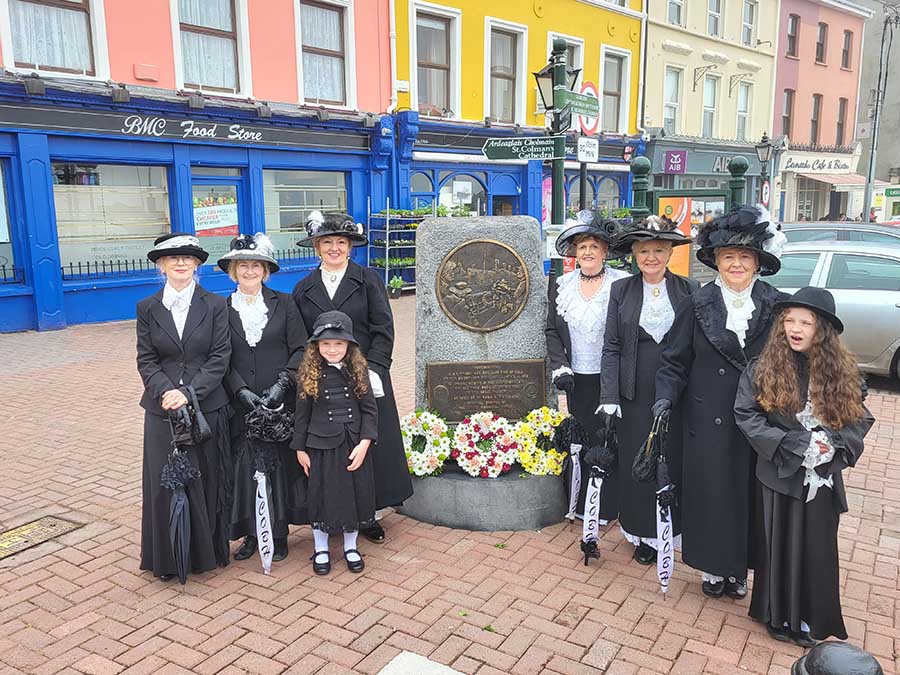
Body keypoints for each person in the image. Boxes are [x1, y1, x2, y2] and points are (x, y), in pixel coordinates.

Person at [653, 205, 788, 600]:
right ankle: (713, 568)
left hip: (757, 421)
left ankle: (740, 569)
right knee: (712, 496)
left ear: (758, 262)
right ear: (716, 261)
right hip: (706, 417)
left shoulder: (777, 305)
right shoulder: (697, 304)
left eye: (745, 256)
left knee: (749, 497)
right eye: (728, 256)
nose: (736, 264)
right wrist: (664, 398)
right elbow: (673, 361)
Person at [735, 287, 873, 647]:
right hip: (780, 471)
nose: (795, 329)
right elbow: (746, 415)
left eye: (806, 323)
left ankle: (812, 616)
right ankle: (777, 615)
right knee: (778, 543)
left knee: (818, 545)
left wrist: (833, 444)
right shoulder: (762, 368)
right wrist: (794, 444)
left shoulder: (842, 372)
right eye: (789, 321)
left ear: (821, 329)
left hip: (822, 475)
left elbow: (859, 418)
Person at [292, 211, 412, 543]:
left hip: (364, 375)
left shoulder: (368, 279)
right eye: (327, 242)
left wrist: (374, 370)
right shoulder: (303, 288)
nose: (334, 248)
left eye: (341, 242)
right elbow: (300, 337)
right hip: (323, 380)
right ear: (317, 247)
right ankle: (331, 511)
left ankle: (369, 512)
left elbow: (383, 328)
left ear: (350, 246)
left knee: (369, 442)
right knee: (329, 448)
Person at [598, 216, 698, 564]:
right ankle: (642, 533)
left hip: (676, 387)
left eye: (658, 250)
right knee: (637, 459)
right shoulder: (621, 290)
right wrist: (609, 396)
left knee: (673, 456)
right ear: (634, 255)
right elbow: (611, 346)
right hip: (634, 390)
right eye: (644, 251)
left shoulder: (689, 290)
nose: (651, 257)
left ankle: (672, 528)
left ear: (669, 253)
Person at [136, 233, 232, 580]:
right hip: (162, 409)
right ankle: (167, 559)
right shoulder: (147, 308)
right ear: (161, 265)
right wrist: (168, 392)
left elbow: (220, 357)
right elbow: (146, 359)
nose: (180, 263)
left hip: (206, 406)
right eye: (173, 258)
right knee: (165, 484)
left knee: (205, 478)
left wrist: (189, 393)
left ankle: (205, 555)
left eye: (188, 258)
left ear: (196, 265)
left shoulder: (216, 305)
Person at [218, 233, 307, 564]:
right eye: (242, 265)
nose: (249, 271)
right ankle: (251, 533)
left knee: (277, 468)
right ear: (233, 271)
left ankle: (278, 533)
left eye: (255, 265)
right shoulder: (221, 308)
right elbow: (219, 356)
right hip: (240, 403)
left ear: (265, 270)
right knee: (245, 470)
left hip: (278, 402)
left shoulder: (285, 303)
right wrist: (239, 389)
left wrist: (283, 384)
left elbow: (300, 348)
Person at [546, 210, 629, 523]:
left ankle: (609, 506)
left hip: (612, 378)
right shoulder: (562, 284)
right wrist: (560, 366)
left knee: (610, 437)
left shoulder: (621, 284)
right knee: (581, 440)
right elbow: (551, 330)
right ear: (575, 252)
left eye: (595, 246)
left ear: (605, 250)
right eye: (582, 246)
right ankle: (581, 504)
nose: (588, 252)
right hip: (577, 379)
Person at [291, 310, 378, 575]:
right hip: (320, 446)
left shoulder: (359, 371)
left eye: (338, 343)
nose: (332, 349)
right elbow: (302, 414)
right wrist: (300, 448)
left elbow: (370, 410)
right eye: (326, 343)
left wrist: (365, 443)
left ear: (349, 345)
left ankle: (351, 546)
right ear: (316, 345)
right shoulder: (309, 373)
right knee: (321, 496)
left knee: (354, 495)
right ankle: (321, 549)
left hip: (353, 444)